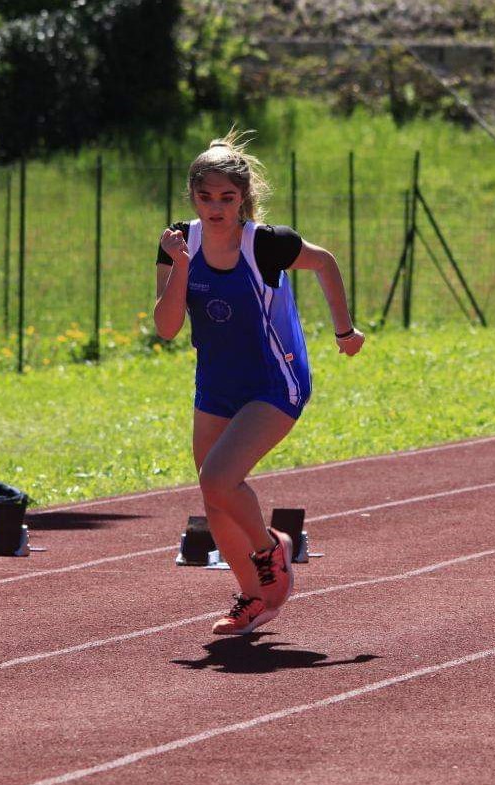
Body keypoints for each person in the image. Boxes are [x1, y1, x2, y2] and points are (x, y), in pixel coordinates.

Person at [154, 131, 364, 635]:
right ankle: (253, 596)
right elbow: (166, 327)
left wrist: (344, 330)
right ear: (192, 197)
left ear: (243, 198)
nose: (215, 207)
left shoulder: (266, 244)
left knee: (218, 478)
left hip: (275, 380)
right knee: (214, 497)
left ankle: (272, 552)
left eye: (227, 198)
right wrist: (180, 266)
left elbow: (326, 263)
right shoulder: (178, 244)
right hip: (216, 385)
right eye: (205, 197)